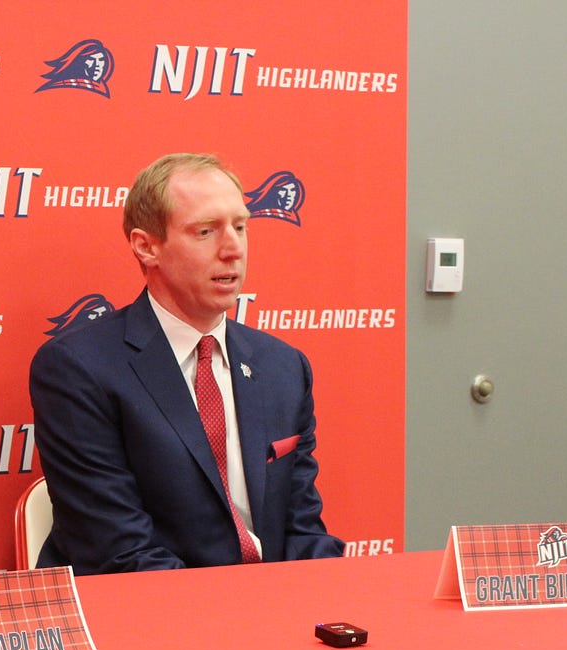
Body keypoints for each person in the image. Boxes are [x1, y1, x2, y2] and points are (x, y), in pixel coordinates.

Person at [28, 153, 343, 573]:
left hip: (272, 613)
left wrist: (323, 597)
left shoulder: (283, 367)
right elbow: (119, 552)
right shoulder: (80, 369)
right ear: (146, 247)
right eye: (206, 231)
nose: (233, 249)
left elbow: (304, 531)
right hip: (150, 616)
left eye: (241, 226)